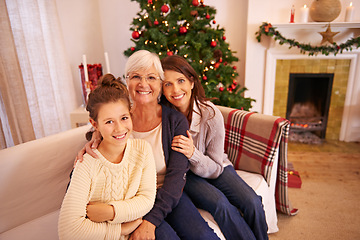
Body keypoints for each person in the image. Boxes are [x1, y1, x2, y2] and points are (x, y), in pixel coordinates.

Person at [76, 50, 220, 240]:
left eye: (151, 77)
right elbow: (101, 128)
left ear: (160, 83)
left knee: (203, 235)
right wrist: (92, 139)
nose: (143, 84)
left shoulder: (175, 121)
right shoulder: (120, 120)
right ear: (127, 81)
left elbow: (177, 177)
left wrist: (151, 220)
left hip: (167, 193)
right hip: (132, 197)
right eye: (136, 76)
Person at [160, 55, 269, 240]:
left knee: (252, 202)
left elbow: (217, 168)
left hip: (215, 166)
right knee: (221, 205)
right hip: (187, 174)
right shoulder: (162, 116)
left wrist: (193, 153)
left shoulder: (210, 114)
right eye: (167, 84)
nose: (175, 89)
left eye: (180, 81)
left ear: (192, 82)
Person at [58, 74, 157, 240]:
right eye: (109, 122)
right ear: (95, 124)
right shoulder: (87, 164)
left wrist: (110, 211)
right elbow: (68, 231)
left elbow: (146, 199)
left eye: (124, 118)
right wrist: (120, 230)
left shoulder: (143, 150)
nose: (119, 128)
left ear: (131, 115)